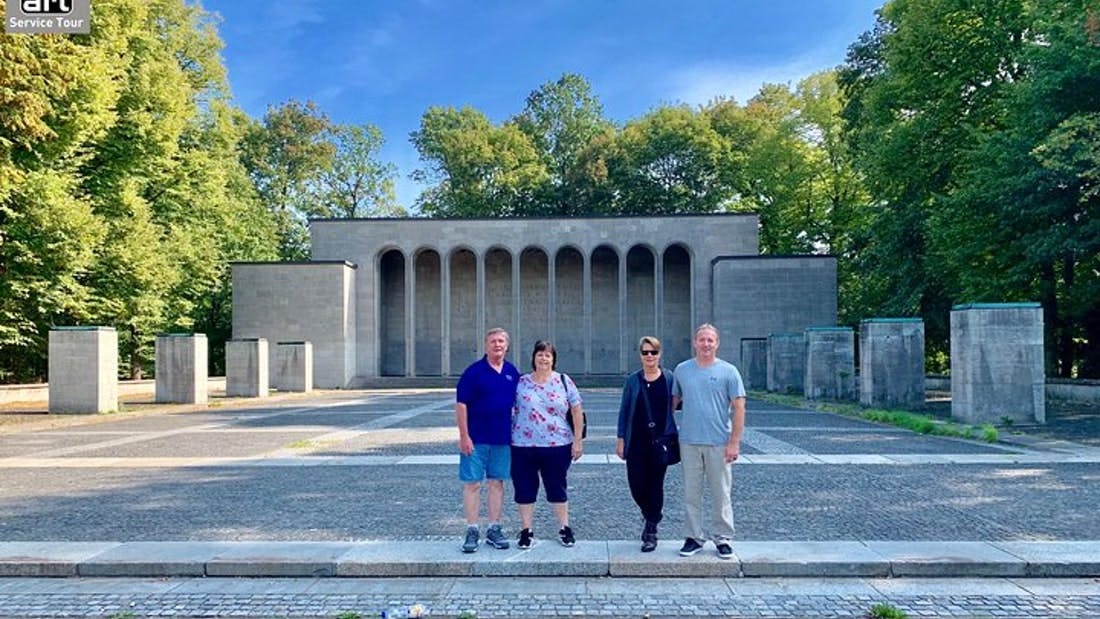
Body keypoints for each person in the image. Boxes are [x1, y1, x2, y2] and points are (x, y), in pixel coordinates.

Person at [672, 323, 746, 560]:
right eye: (701, 340)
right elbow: (672, 403)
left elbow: (739, 407)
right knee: (691, 493)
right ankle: (693, 537)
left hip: (719, 442)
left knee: (721, 493)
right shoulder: (682, 370)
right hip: (689, 441)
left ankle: (722, 538)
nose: (705, 344)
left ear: (717, 343)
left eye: (710, 340)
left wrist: (734, 441)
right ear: (695, 342)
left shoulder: (729, 371)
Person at [511, 340, 584, 549]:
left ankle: (564, 527)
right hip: (523, 445)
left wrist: (578, 441)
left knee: (557, 487)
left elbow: (577, 410)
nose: (544, 358)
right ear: (533, 357)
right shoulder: (521, 382)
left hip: (557, 444)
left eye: (548, 355)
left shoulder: (563, 381)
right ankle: (526, 530)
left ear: (553, 359)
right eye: (540, 354)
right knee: (524, 488)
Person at [455, 328, 520, 553]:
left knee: (497, 483)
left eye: (501, 341)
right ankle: (472, 529)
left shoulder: (513, 372)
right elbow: (461, 404)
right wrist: (464, 436)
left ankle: (494, 528)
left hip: (503, 439)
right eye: (493, 341)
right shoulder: (473, 373)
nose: (497, 345)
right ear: (486, 345)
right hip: (476, 439)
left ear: (507, 345)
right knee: (472, 484)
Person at [616, 335, 679, 552]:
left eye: (653, 352)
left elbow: (679, 403)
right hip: (636, 441)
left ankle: (651, 529)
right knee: (636, 485)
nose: (649, 356)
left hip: (660, 442)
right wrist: (620, 438)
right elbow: (624, 410)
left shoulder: (669, 378)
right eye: (645, 352)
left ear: (659, 354)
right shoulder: (633, 380)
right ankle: (652, 514)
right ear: (640, 355)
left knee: (655, 485)